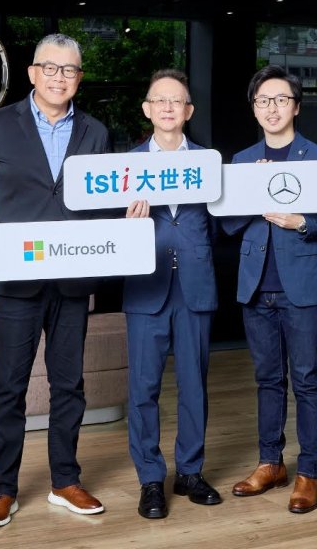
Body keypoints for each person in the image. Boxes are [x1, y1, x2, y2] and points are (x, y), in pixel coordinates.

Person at [0, 33, 110, 527]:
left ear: (79, 78)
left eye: (70, 70)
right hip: (15, 280)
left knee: (69, 385)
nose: (60, 78)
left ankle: (65, 481)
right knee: (10, 386)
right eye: (51, 68)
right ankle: (3, 489)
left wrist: (125, 213)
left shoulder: (96, 131)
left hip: (72, 279)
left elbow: (101, 202)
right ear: (32, 73)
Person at [222, 65, 317, 514]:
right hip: (256, 288)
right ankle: (270, 463)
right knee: (267, 380)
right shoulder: (241, 161)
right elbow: (227, 225)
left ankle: (309, 471)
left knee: (308, 379)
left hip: (303, 288)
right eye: (263, 101)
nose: (271, 108)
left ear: (296, 106)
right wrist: (252, 193)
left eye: (280, 99)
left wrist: (303, 222)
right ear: (254, 108)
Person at [123, 69, 221, 519]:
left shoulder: (209, 162)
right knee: (143, 387)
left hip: (195, 287)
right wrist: (127, 226)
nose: (167, 107)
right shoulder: (122, 167)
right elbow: (105, 232)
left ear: (188, 111)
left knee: (193, 385)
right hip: (147, 287)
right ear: (147, 109)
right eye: (159, 100)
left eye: (176, 100)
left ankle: (190, 472)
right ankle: (150, 478)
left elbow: (222, 223)